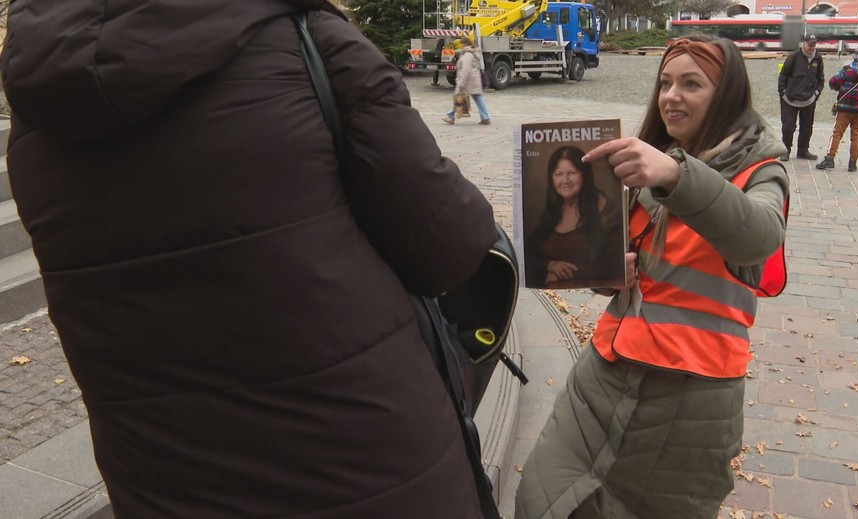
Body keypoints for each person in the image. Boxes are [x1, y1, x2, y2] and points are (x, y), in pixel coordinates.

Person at [1, 2, 498, 518]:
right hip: (365, 466)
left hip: (163, 482)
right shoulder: (309, 42)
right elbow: (448, 251)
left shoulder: (38, 120)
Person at [514, 35, 789, 519]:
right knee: (540, 497)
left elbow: (760, 236)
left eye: (690, 84)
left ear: (725, 94)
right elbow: (615, 262)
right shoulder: (647, 164)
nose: (671, 97)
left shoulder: (760, 168)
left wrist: (676, 175)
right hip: (604, 374)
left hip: (687, 398)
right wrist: (606, 273)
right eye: (664, 83)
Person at [525, 145, 623, 289]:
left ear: (585, 174)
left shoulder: (609, 213)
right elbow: (528, 255)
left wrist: (563, 275)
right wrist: (550, 265)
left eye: (572, 172)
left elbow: (613, 265)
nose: (565, 180)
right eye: (558, 174)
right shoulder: (552, 210)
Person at [816, 45, 858, 172]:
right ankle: (852, 163)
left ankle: (830, 159)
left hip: (845, 107)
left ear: (855, 56)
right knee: (857, 136)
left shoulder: (847, 70)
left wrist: (840, 88)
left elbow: (832, 82)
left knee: (837, 133)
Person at [777, 33, 824, 161]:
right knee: (788, 126)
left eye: (814, 44)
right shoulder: (793, 57)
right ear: (804, 43)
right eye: (809, 44)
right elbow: (783, 76)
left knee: (807, 127)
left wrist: (817, 93)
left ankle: (803, 150)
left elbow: (821, 78)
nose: (811, 47)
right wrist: (782, 92)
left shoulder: (818, 58)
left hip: (809, 99)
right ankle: (785, 150)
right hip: (790, 99)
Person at [443, 36, 492, 125]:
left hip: (467, 81)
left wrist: (461, 83)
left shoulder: (467, 55)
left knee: (459, 98)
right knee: (477, 98)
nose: (461, 45)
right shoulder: (471, 53)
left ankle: (451, 116)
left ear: (465, 44)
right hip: (473, 81)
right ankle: (485, 117)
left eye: (461, 43)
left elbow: (466, 69)